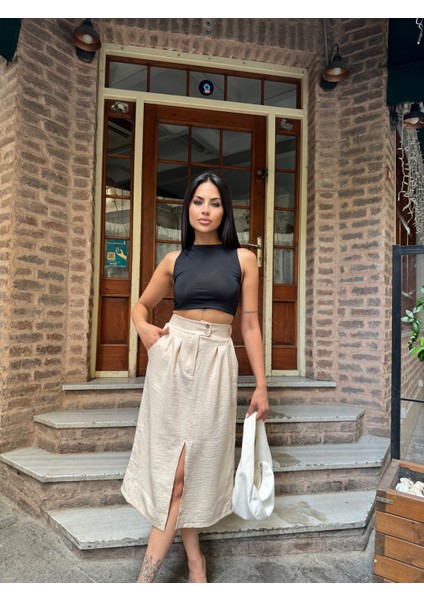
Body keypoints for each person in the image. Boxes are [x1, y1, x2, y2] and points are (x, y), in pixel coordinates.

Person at [121, 171, 268, 583]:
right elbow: (140, 306)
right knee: (176, 472)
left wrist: (261, 384)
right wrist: (143, 328)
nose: (206, 210)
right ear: (187, 208)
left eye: (215, 203)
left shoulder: (244, 259)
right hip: (173, 360)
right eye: (198, 202)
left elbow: (249, 324)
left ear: (225, 211)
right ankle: (153, 579)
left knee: (191, 469)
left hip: (217, 363)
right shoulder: (174, 260)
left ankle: (194, 558)